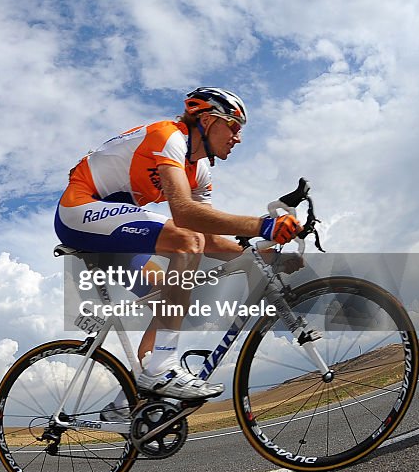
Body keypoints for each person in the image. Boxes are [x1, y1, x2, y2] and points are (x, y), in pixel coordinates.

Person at [55, 87, 301, 400]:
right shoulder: (168, 136)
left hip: (116, 233)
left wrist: (261, 258)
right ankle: (162, 367)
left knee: (172, 292)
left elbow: (209, 237)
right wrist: (264, 226)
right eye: (234, 127)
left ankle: (135, 403)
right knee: (185, 241)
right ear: (210, 121)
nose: (238, 137)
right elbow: (185, 216)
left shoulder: (200, 170)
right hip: (78, 211)